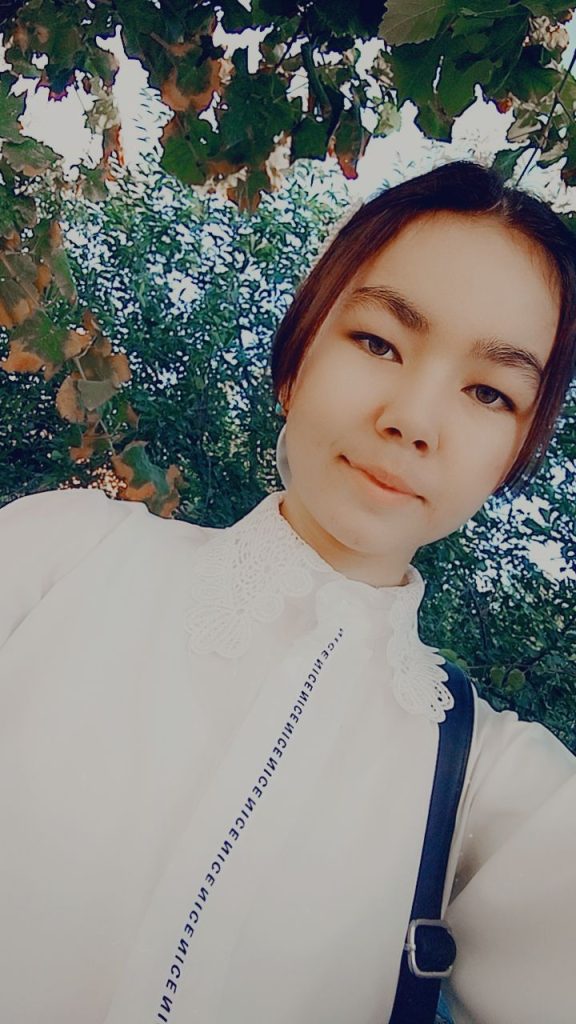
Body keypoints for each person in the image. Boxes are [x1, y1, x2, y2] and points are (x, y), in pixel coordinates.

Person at [0, 158, 574, 1024]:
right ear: (296, 358)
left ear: (514, 458)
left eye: (490, 392)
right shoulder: (64, 557)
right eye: (379, 341)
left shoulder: (498, 786)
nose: (413, 419)